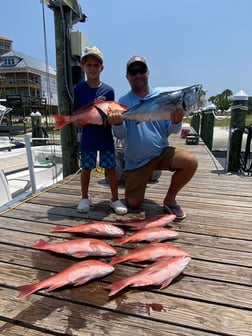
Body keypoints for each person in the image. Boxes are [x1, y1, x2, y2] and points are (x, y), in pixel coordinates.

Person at [108, 55, 198, 220]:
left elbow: (170, 130)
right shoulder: (123, 101)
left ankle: (170, 199)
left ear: (148, 72)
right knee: (133, 203)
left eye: (141, 70)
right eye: (133, 72)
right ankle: (139, 183)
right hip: (136, 161)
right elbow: (120, 135)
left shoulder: (164, 96)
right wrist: (117, 124)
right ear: (127, 77)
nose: (138, 75)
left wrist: (177, 121)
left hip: (160, 153)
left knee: (190, 161)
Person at [73, 46, 127, 215]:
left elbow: (111, 113)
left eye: (96, 65)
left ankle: (114, 198)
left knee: (110, 168)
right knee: (86, 168)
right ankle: (84, 197)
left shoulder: (109, 90)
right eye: (88, 65)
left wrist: (114, 119)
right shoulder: (79, 89)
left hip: (105, 135)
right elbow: (76, 113)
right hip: (88, 135)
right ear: (83, 67)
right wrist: (77, 122)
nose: (92, 68)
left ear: (102, 68)